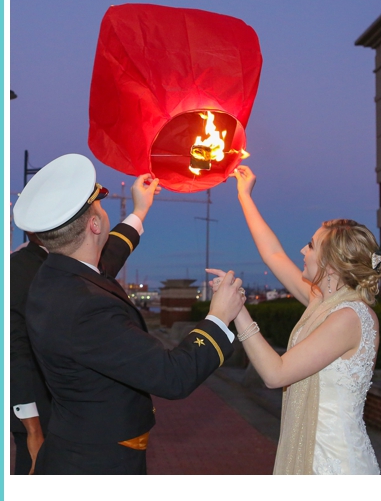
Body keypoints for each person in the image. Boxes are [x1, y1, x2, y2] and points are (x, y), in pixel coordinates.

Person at [18, 154, 244, 475]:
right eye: (100, 207)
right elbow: (173, 377)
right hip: (99, 464)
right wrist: (219, 317)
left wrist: (140, 211)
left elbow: (104, 259)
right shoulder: (85, 307)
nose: (103, 211)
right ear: (95, 225)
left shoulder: (53, 273)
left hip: (73, 446)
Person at [226, 165, 381, 475]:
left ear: (332, 264)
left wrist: (238, 312)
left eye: (311, 245)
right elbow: (273, 254)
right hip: (312, 454)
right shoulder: (321, 299)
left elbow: (276, 373)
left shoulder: (350, 316)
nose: (302, 249)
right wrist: (245, 196)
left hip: (333, 465)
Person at [10, 172, 158, 475]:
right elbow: (15, 353)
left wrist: (139, 211)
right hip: (42, 415)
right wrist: (33, 429)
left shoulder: (69, 257)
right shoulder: (17, 272)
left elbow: (111, 253)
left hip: (76, 420)